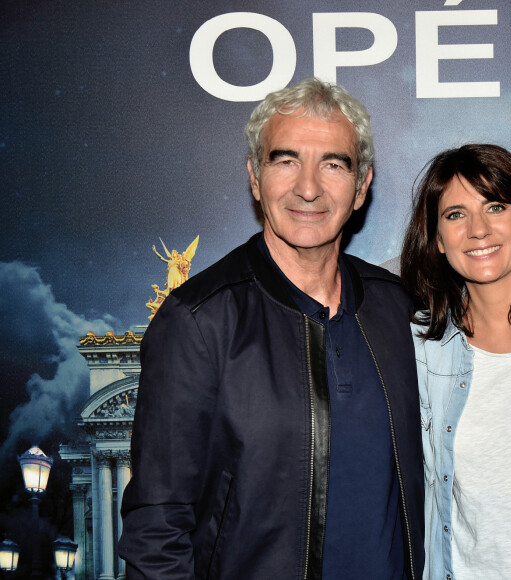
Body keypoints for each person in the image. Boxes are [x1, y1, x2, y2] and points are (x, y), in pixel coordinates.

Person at [119, 77, 424, 580]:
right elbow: (157, 529)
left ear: (362, 185)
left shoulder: (395, 307)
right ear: (255, 179)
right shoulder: (198, 320)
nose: (308, 187)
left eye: (333, 163)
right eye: (285, 161)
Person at [400, 143, 511, 579]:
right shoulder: (422, 347)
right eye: (456, 215)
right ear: (438, 240)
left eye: (495, 206)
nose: (478, 229)